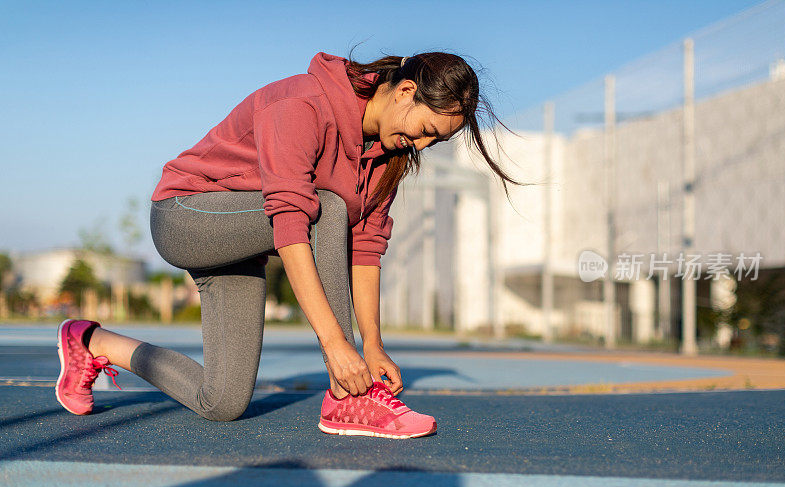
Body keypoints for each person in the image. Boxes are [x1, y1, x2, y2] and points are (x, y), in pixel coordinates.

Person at [55, 51, 520, 439]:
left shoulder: (385, 154)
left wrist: (373, 346)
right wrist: (337, 347)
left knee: (222, 403)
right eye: (424, 130)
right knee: (329, 208)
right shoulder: (302, 102)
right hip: (186, 217)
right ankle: (346, 399)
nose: (419, 146)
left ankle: (90, 341)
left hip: (246, 240)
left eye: (433, 142)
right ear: (404, 90)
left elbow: (365, 250)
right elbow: (293, 224)